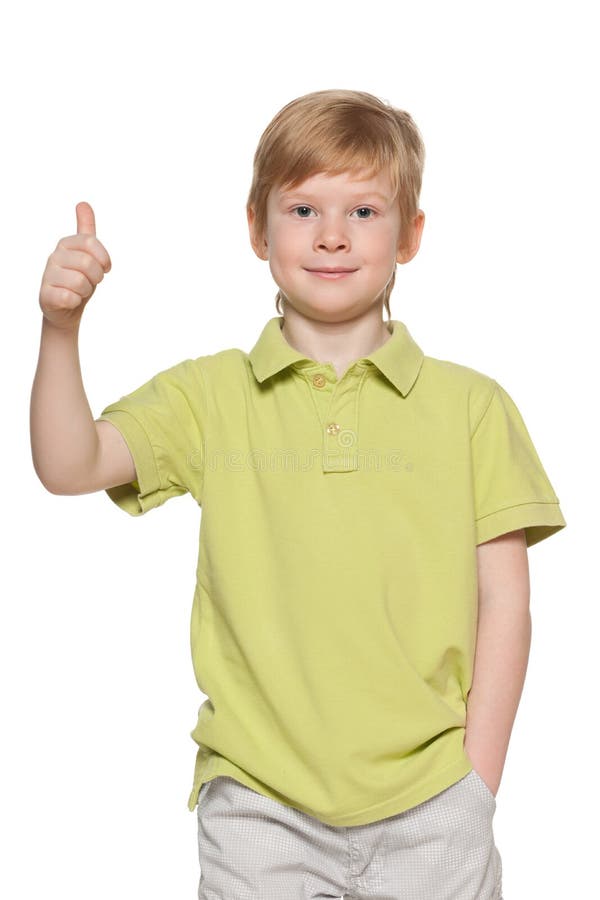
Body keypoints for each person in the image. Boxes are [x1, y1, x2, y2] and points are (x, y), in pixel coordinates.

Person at [31, 88, 566, 900]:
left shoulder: (472, 407)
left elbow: (507, 603)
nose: (330, 235)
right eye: (303, 207)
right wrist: (60, 330)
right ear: (257, 227)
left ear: (411, 234)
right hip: (259, 804)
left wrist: (475, 784)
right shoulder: (210, 395)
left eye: (363, 210)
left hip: (432, 804)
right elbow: (67, 464)